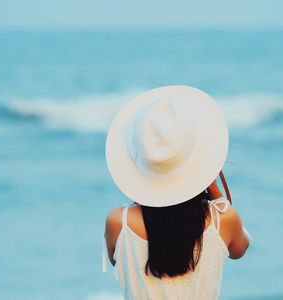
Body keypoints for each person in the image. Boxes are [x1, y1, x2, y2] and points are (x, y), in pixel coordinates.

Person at [103, 85, 250, 299]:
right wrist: (214, 187)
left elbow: (118, 259)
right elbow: (240, 249)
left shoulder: (119, 222)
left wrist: (144, 185)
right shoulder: (223, 219)